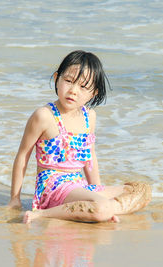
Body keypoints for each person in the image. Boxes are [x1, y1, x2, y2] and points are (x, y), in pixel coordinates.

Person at [8, 50, 151, 223]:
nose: (73, 90)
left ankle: (101, 209)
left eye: (83, 86)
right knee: (103, 206)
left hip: (79, 185)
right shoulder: (44, 116)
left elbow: (90, 156)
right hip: (53, 188)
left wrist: (96, 189)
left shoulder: (89, 116)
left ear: (94, 93)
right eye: (68, 81)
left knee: (141, 190)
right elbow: (23, 155)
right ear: (56, 78)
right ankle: (42, 214)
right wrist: (15, 199)